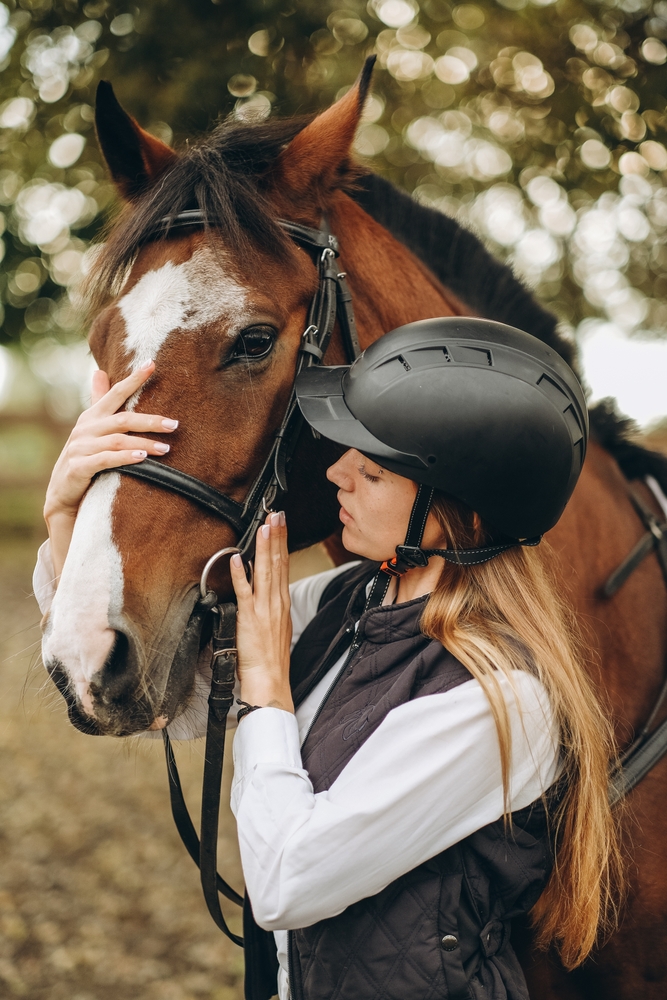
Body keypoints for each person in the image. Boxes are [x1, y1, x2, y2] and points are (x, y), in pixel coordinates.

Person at [35, 317, 622, 1000]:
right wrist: (65, 516)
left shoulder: (499, 698)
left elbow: (287, 883)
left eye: (372, 470)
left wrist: (268, 691)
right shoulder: (351, 599)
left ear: (454, 512)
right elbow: (177, 699)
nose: (337, 473)